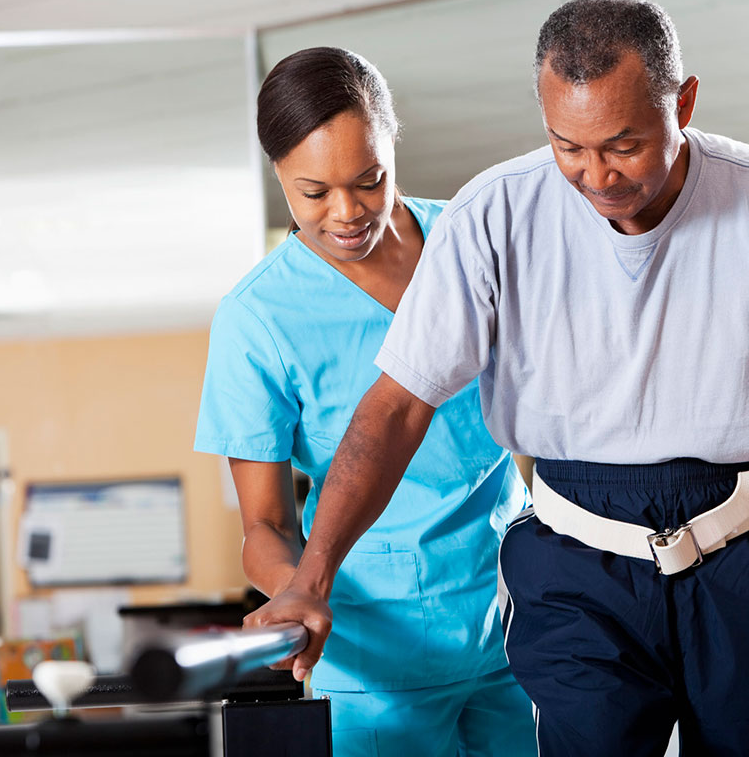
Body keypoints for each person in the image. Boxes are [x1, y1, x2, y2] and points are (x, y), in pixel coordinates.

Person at [249, 0, 749, 756]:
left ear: (683, 102)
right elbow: (394, 410)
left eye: (624, 143)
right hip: (574, 564)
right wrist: (311, 576)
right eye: (568, 146)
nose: (596, 175)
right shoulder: (493, 215)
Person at [194, 46, 536, 757]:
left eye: (369, 181)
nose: (347, 213)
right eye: (313, 192)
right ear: (278, 175)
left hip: (519, 628)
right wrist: (297, 590)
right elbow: (262, 526)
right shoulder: (257, 318)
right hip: (373, 657)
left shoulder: (469, 242)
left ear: (392, 145)